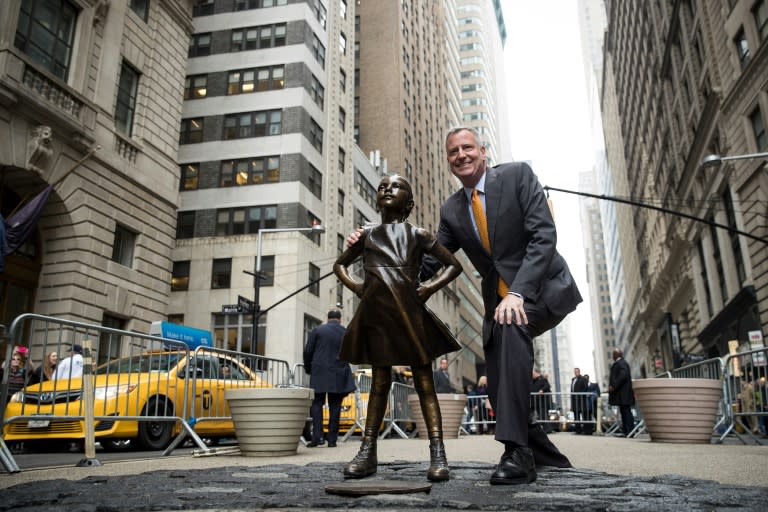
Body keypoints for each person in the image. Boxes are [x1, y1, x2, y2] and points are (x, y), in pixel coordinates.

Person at [334, 174, 463, 482]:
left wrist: (429, 287)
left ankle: (437, 451)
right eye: (382, 186)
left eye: (396, 186)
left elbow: (452, 265)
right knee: (379, 384)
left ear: (409, 202)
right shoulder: (367, 235)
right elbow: (339, 264)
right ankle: (368, 451)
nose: (387, 189)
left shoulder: (417, 234)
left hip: (411, 315)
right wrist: (358, 287)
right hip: (377, 316)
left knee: (424, 383)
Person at [303, 309, 356, 448]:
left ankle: (317, 437)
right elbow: (351, 353)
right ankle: (332, 440)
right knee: (335, 406)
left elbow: (308, 351)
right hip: (338, 372)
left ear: (328, 318)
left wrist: (308, 368)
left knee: (316, 404)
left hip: (319, 372)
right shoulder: (345, 332)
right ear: (340, 319)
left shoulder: (317, 330)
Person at [608, 348, 635, 437]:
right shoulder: (620, 363)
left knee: (626, 412)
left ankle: (630, 431)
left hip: (624, 394)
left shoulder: (622, 363)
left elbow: (623, 376)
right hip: (622, 394)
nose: (612, 356)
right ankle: (626, 431)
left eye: (613, 354)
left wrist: (614, 386)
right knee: (624, 412)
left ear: (617, 355)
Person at [531, 369, 553, 433]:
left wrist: (542, 390)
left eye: (533, 373)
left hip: (543, 402)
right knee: (540, 416)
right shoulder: (533, 381)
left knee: (543, 415)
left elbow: (547, 386)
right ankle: (546, 428)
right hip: (536, 402)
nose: (532, 374)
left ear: (537, 373)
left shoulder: (543, 379)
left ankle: (548, 429)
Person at [571, 367, 587, 434]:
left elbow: (585, 388)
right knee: (576, 416)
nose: (576, 372)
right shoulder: (573, 379)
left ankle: (585, 430)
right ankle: (578, 430)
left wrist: (581, 396)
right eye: (575, 371)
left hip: (581, 400)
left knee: (584, 416)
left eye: (577, 371)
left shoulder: (583, 378)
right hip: (574, 401)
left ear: (579, 371)